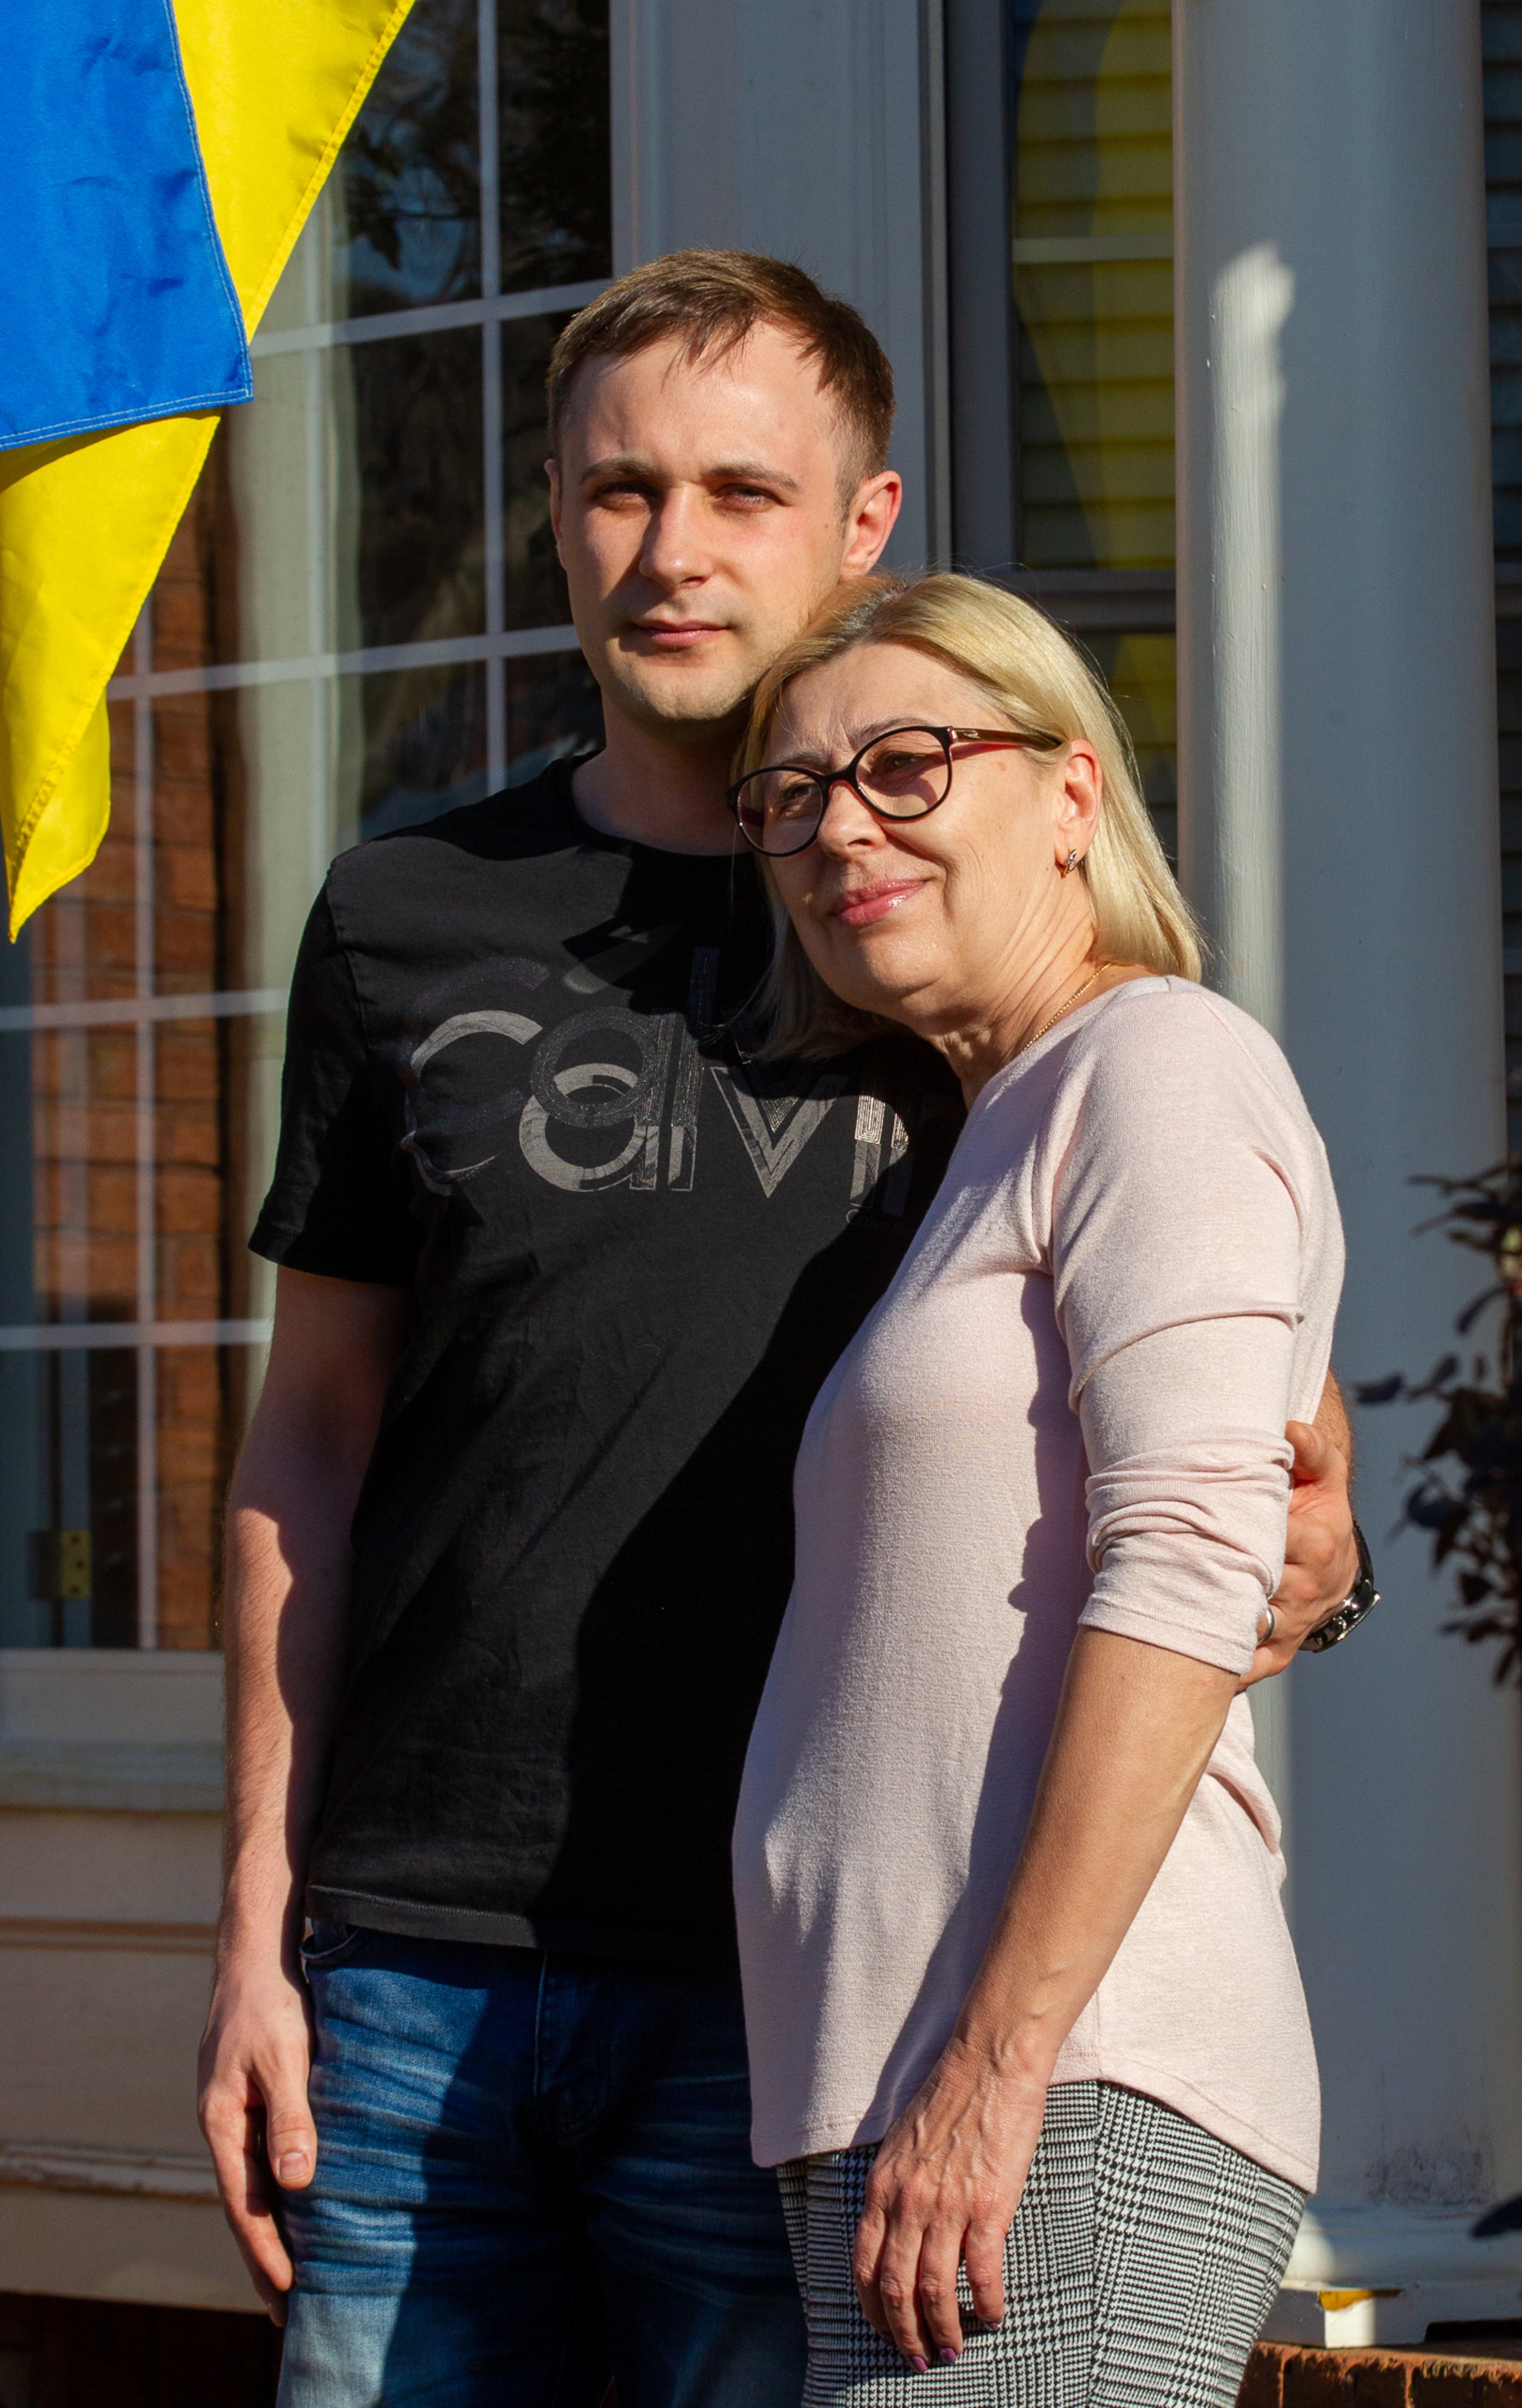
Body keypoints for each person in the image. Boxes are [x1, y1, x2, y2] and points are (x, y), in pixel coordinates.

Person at [198, 254, 1360, 2408]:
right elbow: (314, 1443)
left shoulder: (951, 922)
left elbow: (1214, 1420)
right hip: (422, 1960)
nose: (676, 549)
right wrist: (258, 1920)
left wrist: (1320, 1518)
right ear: (559, 519)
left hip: (818, 1996)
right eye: (620, 490)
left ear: (862, 524)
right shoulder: (403, 914)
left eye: (744, 491)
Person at [729, 571, 1338, 2408]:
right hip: (927, 2085)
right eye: (793, 795)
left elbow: (1189, 1555)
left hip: (1055, 2089)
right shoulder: (997, 1129)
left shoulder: (1159, 1063)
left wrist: (997, 2066)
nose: (843, 828)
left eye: (908, 764)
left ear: (1073, 794)